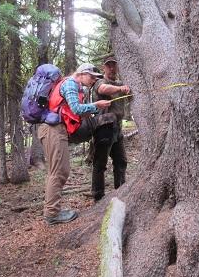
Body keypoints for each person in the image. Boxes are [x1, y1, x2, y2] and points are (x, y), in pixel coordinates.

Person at [38, 63, 111, 225]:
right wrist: (96, 105)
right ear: (82, 73)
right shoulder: (70, 83)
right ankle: (52, 214)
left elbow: (75, 112)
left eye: (95, 78)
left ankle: (52, 210)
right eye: (92, 77)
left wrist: (95, 109)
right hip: (53, 130)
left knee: (57, 171)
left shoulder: (73, 85)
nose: (93, 80)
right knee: (59, 172)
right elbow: (77, 109)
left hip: (55, 130)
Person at [91, 56, 131, 201]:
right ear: (104, 68)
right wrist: (120, 88)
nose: (112, 68)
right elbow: (103, 89)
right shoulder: (100, 82)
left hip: (117, 129)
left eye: (114, 65)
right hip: (103, 128)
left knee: (121, 161)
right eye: (109, 66)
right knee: (100, 163)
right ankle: (98, 196)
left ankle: (120, 192)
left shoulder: (120, 83)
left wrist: (123, 87)